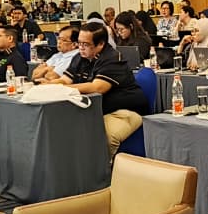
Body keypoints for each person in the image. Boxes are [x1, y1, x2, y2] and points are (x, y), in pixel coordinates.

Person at [57, 24, 150, 156]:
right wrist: (45, 87)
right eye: (79, 43)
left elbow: (97, 88)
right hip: (97, 110)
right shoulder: (80, 57)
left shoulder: (112, 59)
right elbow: (65, 80)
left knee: (103, 135)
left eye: (85, 44)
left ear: (100, 44)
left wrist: (59, 89)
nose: (80, 47)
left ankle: (103, 168)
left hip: (124, 111)